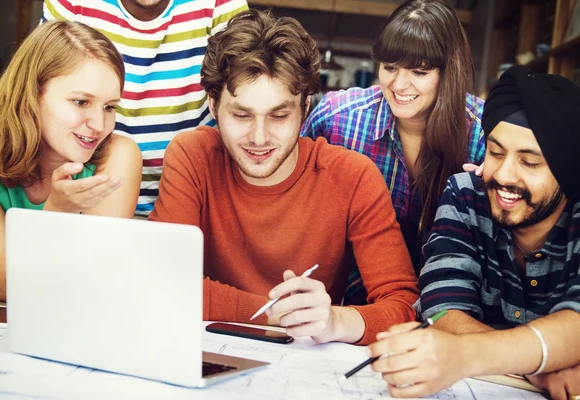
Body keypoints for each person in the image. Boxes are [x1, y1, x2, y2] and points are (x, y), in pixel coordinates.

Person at [149, 10, 419, 345]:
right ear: (214, 104)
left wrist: (336, 320)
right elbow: (162, 282)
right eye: (241, 114)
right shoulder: (193, 156)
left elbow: (404, 307)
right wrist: (274, 313)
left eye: (279, 115)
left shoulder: (353, 177)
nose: (259, 137)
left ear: (305, 107)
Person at [368, 66, 580, 400]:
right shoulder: (467, 195)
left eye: (530, 162)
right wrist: (540, 367)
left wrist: (467, 355)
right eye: (496, 153)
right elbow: (442, 309)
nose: (504, 175)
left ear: (568, 171)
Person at [300, 0, 485, 304]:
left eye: (419, 71)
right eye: (390, 67)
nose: (399, 84)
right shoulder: (338, 117)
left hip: (453, 303)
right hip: (345, 301)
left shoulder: (483, 133)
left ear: (449, 71)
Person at [0, 21, 142, 304]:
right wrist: (57, 211)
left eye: (109, 107)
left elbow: (84, 289)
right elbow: (23, 288)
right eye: (81, 102)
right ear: (31, 94)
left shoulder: (119, 155)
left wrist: (58, 210)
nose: (99, 124)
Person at [42, 0, 248, 216]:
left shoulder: (220, 4)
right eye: (82, 102)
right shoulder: (70, 3)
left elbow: (249, 97)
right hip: (85, 204)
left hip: (195, 203)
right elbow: (39, 86)